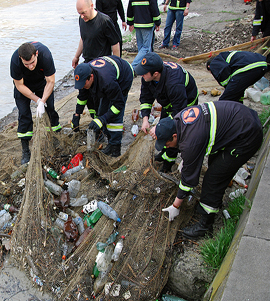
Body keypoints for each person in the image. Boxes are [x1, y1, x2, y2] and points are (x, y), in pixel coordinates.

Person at [154, 101, 263, 239]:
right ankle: (214, 202)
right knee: (214, 163)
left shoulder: (190, 141)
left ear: (174, 136)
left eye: (167, 143)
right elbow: (198, 143)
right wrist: (188, 160)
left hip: (247, 136)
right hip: (242, 118)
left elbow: (188, 180)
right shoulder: (179, 118)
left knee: (213, 178)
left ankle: (205, 226)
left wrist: (175, 206)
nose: (167, 147)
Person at [135, 52, 198, 172]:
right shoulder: (147, 77)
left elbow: (179, 112)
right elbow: (145, 98)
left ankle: (169, 162)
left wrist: (158, 127)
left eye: (144, 72)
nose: (141, 74)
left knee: (173, 132)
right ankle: (164, 154)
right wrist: (145, 119)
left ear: (156, 73)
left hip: (186, 105)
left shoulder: (174, 83)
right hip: (168, 102)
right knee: (164, 129)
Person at [71, 0, 121, 132]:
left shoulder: (104, 21)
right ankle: (95, 122)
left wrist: (117, 65)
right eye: (79, 13)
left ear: (92, 6)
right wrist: (77, 56)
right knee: (87, 97)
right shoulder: (82, 20)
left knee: (101, 99)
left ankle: (102, 125)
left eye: (83, 13)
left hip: (100, 68)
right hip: (87, 64)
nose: (82, 16)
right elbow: (83, 38)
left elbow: (115, 44)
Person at [10, 42, 61, 165]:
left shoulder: (45, 55)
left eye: (33, 62)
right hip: (24, 85)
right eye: (26, 64)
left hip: (42, 82)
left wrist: (43, 101)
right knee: (24, 114)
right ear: (21, 58)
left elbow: (50, 81)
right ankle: (26, 149)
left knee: (50, 108)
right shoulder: (15, 61)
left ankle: (55, 136)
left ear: (36, 54)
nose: (30, 66)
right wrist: (37, 100)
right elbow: (19, 85)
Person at [73, 55, 134, 157]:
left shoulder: (107, 82)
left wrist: (102, 119)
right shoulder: (83, 75)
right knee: (102, 111)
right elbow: (82, 97)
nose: (82, 86)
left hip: (124, 77)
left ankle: (115, 148)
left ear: (91, 77)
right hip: (109, 76)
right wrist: (76, 115)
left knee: (114, 116)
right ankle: (110, 142)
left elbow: (119, 104)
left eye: (84, 84)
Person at [126, 0, 161, 69]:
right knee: (146, 48)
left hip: (137, 24)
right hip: (147, 25)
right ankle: (132, 67)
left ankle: (146, 66)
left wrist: (130, 23)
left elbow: (130, 10)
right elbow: (154, 9)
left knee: (141, 47)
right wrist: (158, 22)